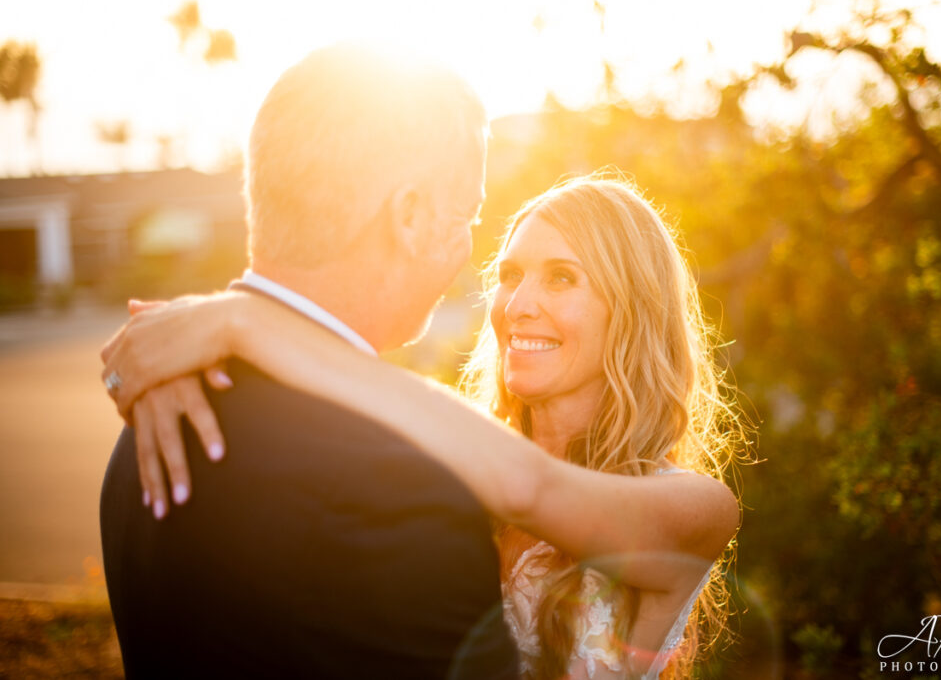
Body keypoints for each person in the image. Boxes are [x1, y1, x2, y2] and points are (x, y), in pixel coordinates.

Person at [102, 173, 747, 678]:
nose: (520, 306)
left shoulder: (698, 511)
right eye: (510, 276)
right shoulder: (441, 460)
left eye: (562, 279)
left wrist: (238, 322)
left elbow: (535, 490)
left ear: (631, 311)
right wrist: (177, 365)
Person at [98, 43, 521, 679]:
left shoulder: (147, 427)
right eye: (468, 215)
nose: (467, 245)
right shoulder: (404, 486)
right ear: (409, 215)